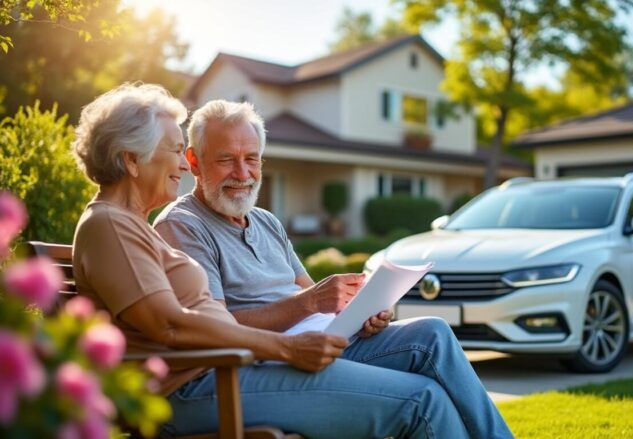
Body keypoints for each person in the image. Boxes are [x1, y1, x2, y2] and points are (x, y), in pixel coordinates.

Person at [70, 84, 511, 438]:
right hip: (204, 384)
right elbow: (169, 326)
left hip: (233, 368)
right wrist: (287, 347)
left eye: (251, 159)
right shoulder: (113, 224)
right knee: (422, 400)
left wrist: (355, 314)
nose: (181, 168)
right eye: (172, 151)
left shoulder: (129, 225)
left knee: (428, 342)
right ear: (131, 159)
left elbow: (182, 319)